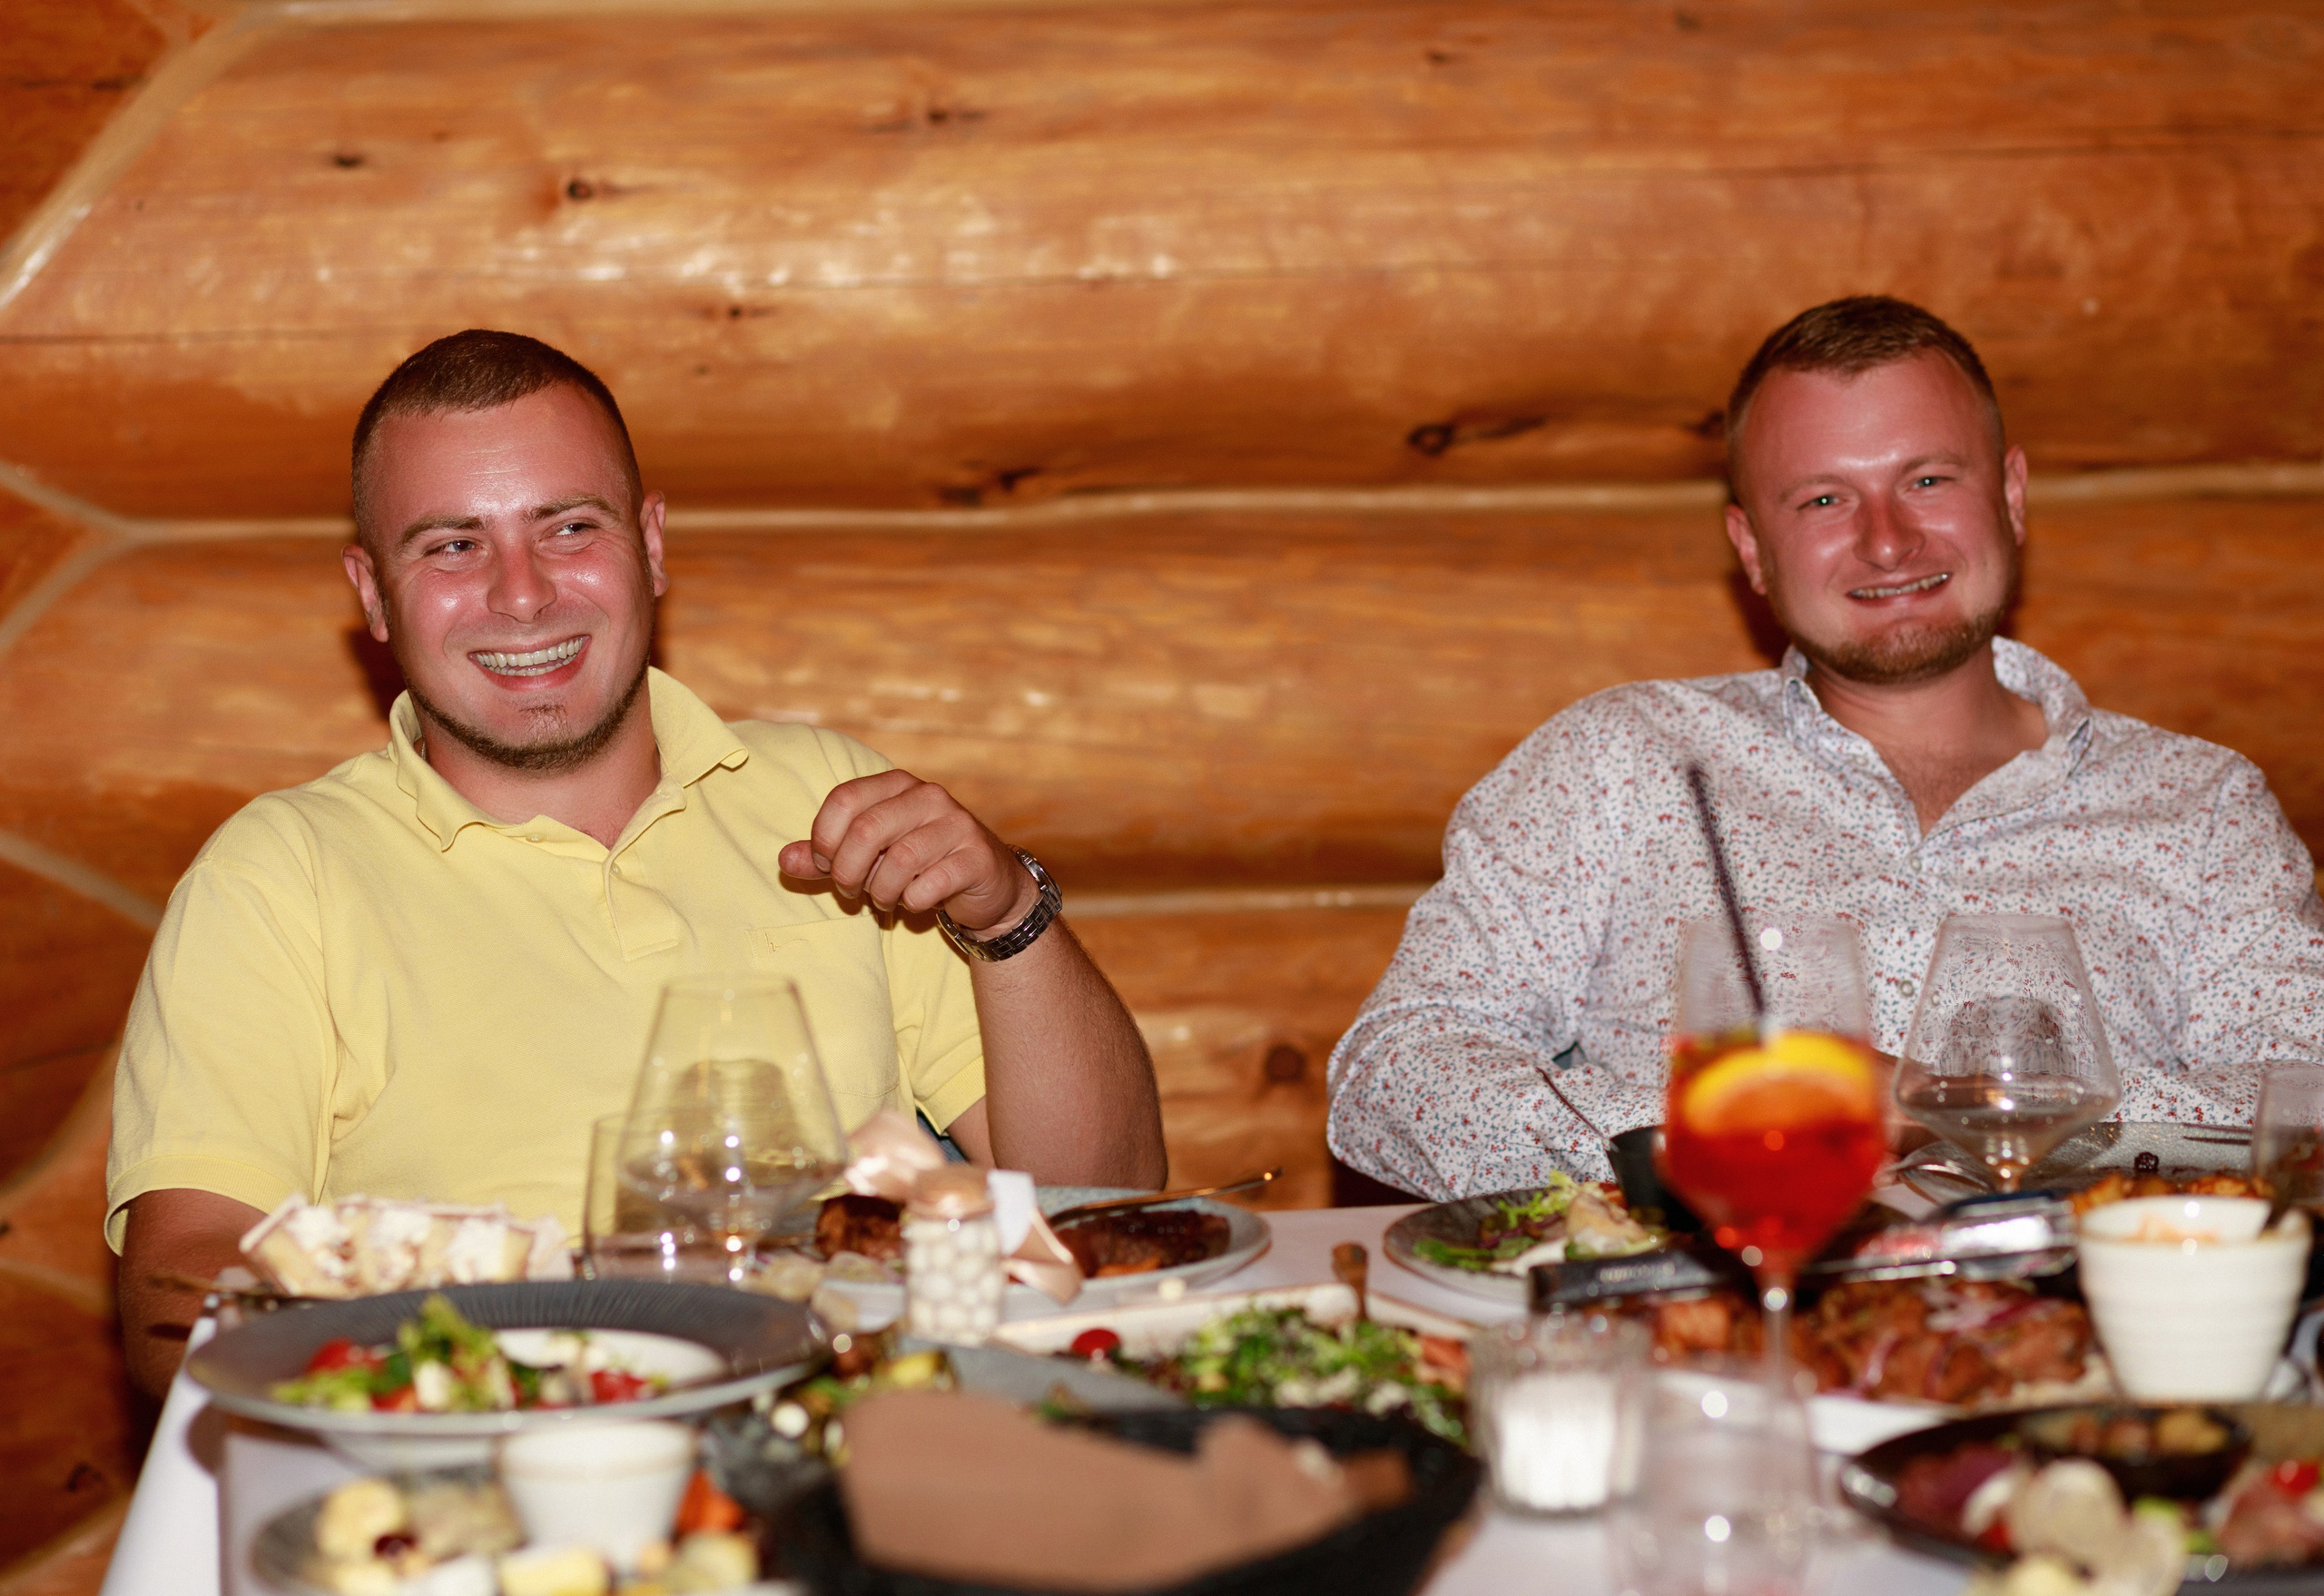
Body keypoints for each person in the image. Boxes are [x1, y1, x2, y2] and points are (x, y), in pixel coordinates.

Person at [110, 330, 1167, 1394]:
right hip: (489, 1473)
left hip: (873, 1458)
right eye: (451, 547)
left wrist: (1010, 916)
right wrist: (497, 1361)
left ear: (651, 543)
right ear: (373, 593)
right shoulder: (277, 876)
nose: (522, 596)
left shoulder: (829, 795)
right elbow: (176, 1292)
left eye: (569, 527)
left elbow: (1107, 1205)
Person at [1327, 295, 2324, 1201]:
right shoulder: (1619, 762)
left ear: (2010, 497)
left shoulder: (2199, 805)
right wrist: (1746, 1119)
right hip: (1695, 1351)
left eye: (1927, 478)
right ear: (1752, 549)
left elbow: (2305, 1106)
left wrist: (1972, 1110)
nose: (1887, 542)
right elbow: (1392, 1077)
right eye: (1822, 501)